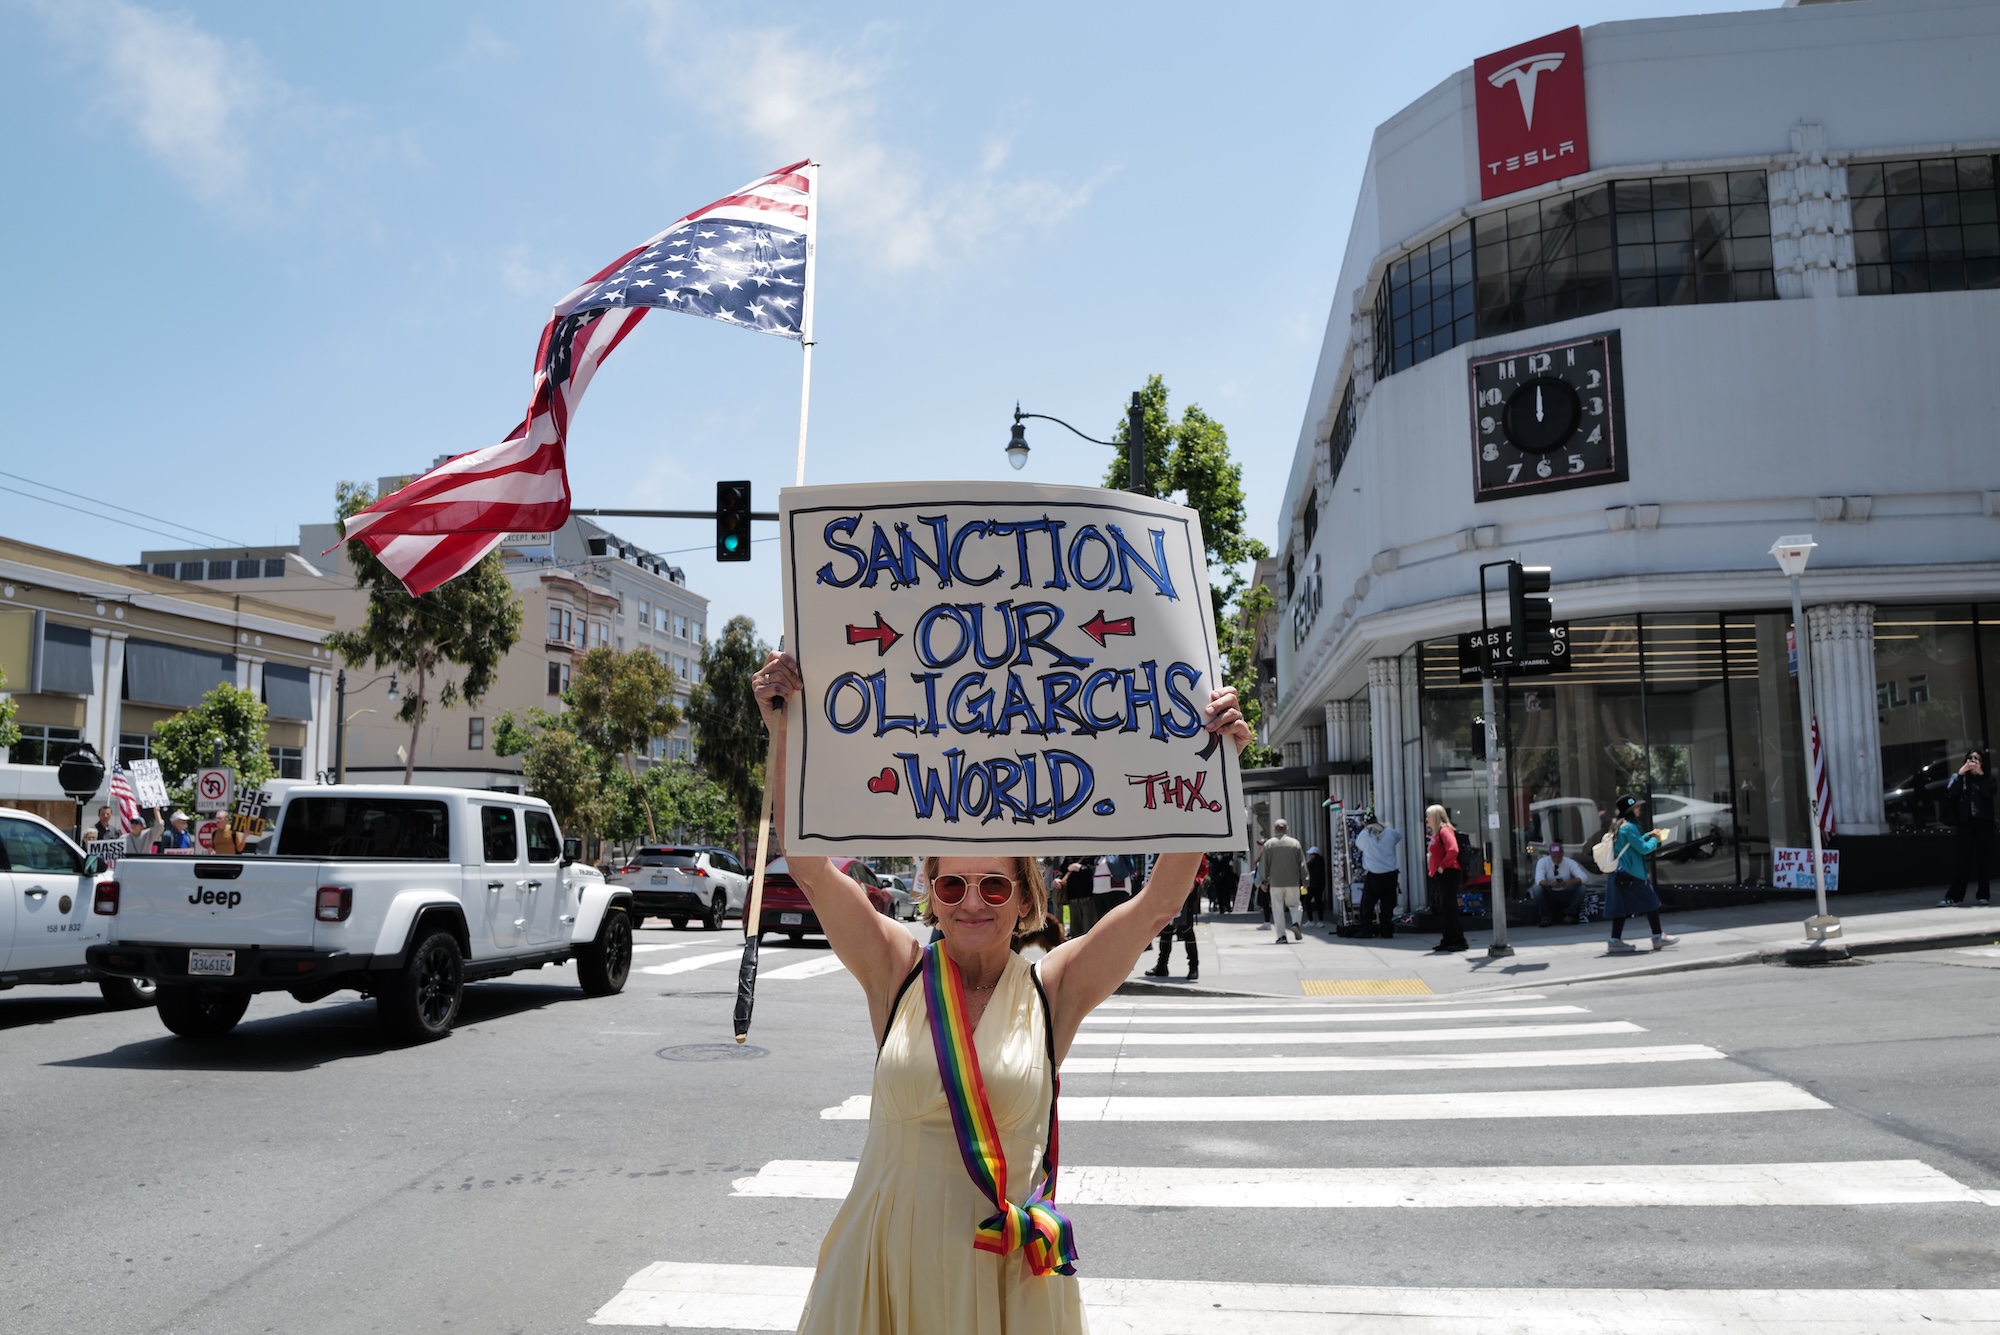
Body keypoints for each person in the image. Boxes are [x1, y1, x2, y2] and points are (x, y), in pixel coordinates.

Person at [750, 650, 1250, 1335]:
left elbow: (1160, 901)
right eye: (952, 884)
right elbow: (809, 867)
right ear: (931, 895)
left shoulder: (1055, 987)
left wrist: (1215, 761)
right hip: (885, 1262)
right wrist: (785, 729)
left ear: (1024, 899)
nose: (971, 902)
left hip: (1005, 1277)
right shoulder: (895, 968)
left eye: (993, 885)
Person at [1606, 796, 1679, 953]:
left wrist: (1648, 835)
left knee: (1621, 908)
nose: (1639, 809)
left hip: (1620, 873)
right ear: (1630, 811)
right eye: (1636, 807)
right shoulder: (1629, 827)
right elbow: (1643, 849)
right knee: (1652, 902)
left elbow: (1633, 843)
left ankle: (1614, 941)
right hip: (1633, 874)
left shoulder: (1619, 825)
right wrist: (1656, 839)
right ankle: (1657, 937)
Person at [1940, 750, 1993, 906]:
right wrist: (1961, 773)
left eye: (1976, 759)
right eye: (1970, 758)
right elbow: (1951, 791)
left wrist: (1981, 775)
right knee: (1962, 860)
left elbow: (1989, 793)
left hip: (1984, 822)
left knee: (1984, 859)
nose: (1973, 761)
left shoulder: (1987, 779)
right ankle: (1954, 896)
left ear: (1982, 763)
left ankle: (1983, 894)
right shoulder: (1959, 778)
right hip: (1965, 823)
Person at [1144, 854, 1204, 982]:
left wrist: (1195, 881)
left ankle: (1193, 966)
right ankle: (1162, 965)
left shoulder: (1192, 849)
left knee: (1186, 929)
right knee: (1166, 929)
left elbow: (1203, 868)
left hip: (1186, 893)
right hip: (1168, 892)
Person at [1424, 805, 1469, 954]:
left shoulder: (1445, 830)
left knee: (1449, 908)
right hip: (1440, 874)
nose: (1427, 819)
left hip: (1448, 873)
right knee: (1443, 908)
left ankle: (1458, 940)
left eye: (1429, 816)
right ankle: (1448, 939)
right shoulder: (1437, 832)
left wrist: (1442, 866)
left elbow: (1453, 850)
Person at [1354, 812, 1403, 938]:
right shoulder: (1390, 832)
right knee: (1388, 904)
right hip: (1390, 873)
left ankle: (1366, 930)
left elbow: (1359, 845)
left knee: (1368, 904)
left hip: (1374, 873)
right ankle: (1386, 930)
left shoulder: (1364, 835)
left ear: (1364, 823)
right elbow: (1399, 836)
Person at [1258, 819, 1306, 943]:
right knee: (1295, 905)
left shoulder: (1269, 844)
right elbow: (1302, 864)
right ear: (1286, 829)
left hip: (1275, 883)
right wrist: (1305, 880)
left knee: (1277, 909)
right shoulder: (1295, 843)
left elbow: (1264, 865)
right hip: (1293, 881)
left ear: (1274, 830)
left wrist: (1263, 881)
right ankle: (1296, 923)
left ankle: (1281, 936)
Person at [1532, 841, 1588, 926]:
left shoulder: (1569, 862)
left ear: (1562, 854)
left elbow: (1583, 877)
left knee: (1582, 888)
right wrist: (1550, 884)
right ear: (1550, 855)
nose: (1556, 859)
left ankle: (1570, 915)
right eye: (1554, 857)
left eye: (1559, 857)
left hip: (1565, 891)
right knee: (1537, 889)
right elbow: (1539, 880)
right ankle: (1545, 917)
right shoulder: (1543, 862)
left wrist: (1570, 882)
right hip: (1550, 892)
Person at [1304, 846, 1328, 925]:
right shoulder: (1321, 861)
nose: (1309, 856)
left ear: (1314, 855)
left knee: (1307, 901)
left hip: (1313, 885)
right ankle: (1320, 921)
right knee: (1318, 902)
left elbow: (1305, 867)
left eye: (1311, 854)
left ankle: (1310, 920)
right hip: (1320, 885)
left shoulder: (1313, 862)